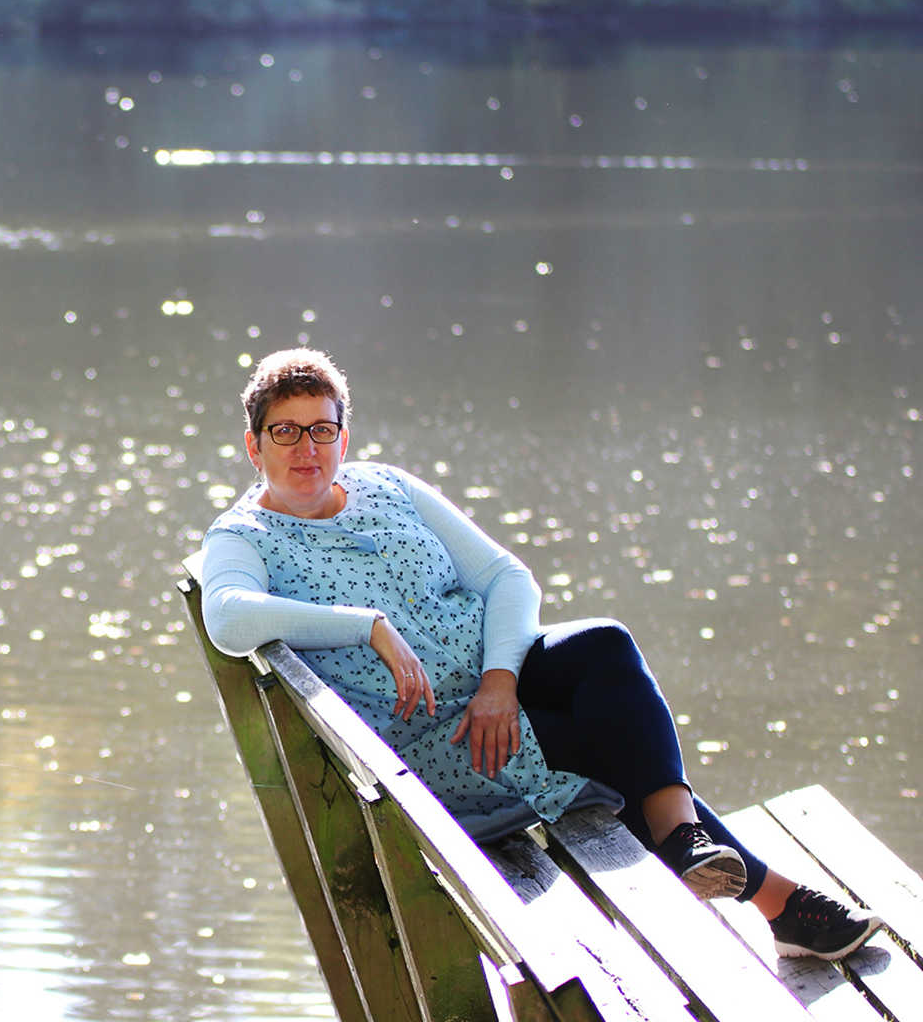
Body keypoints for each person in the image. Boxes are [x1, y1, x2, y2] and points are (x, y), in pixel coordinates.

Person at [199, 347, 884, 962]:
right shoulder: (246, 536)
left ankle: (688, 847)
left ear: (342, 438)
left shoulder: (388, 487)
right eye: (284, 432)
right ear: (254, 448)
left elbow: (507, 579)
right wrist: (365, 624)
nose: (306, 448)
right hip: (441, 740)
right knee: (609, 738)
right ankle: (776, 901)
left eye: (321, 429)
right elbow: (228, 616)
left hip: (502, 689)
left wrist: (501, 678)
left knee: (605, 646)